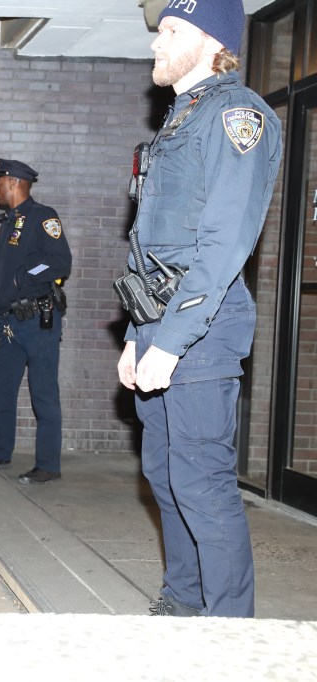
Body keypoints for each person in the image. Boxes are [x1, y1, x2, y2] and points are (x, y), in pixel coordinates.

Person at [115, 0, 282, 618]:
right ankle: (183, 603)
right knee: (164, 475)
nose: (157, 43)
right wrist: (138, 334)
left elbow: (224, 244)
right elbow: (152, 243)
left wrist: (171, 340)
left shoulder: (239, 117)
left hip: (202, 332)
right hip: (160, 327)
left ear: (213, 41)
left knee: (203, 485)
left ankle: (230, 634)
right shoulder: (181, 119)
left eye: (172, 31)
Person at [0, 159, 72, 484]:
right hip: (9, 322)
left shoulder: (43, 217)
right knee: (3, 388)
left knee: (43, 393)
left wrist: (21, 279)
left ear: (13, 182)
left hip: (37, 321)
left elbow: (59, 263)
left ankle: (48, 466)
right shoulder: (10, 222)